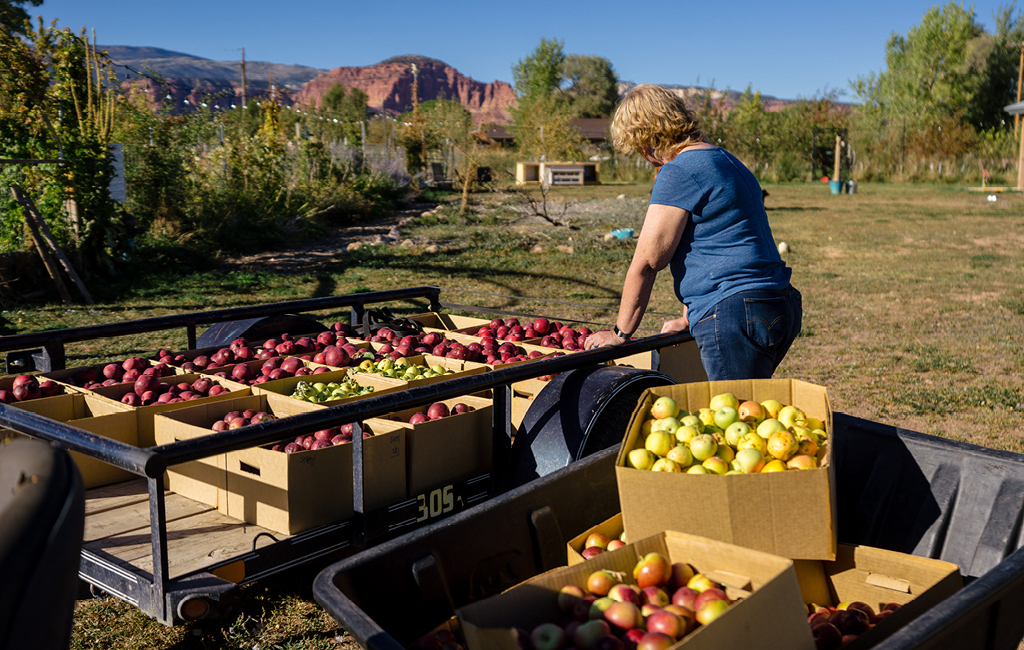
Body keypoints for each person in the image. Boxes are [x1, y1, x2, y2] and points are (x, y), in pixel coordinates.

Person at [584, 84, 802, 381]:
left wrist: (620, 333)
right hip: (777, 302)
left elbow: (649, 261)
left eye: (639, 147)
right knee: (753, 410)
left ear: (648, 137)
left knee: (735, 415)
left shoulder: (679, 169)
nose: (644, 157)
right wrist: (689, 316)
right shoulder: (724, 159)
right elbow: (716, 240)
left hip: (736, 311)